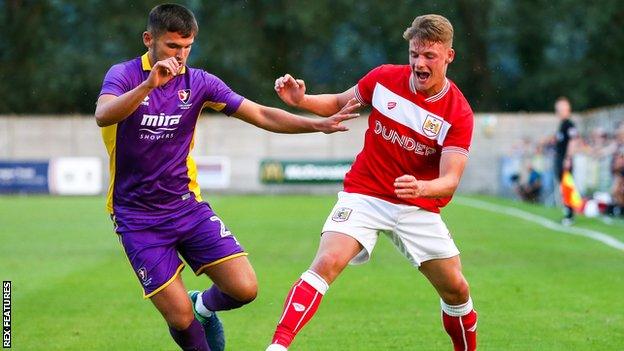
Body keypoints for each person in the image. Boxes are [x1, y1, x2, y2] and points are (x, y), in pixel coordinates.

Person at [94, 4, 359, 351]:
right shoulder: (125, 75)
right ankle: (193, 318)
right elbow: (103, 114)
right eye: (173, 47)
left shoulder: (199, 82)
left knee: (245, 288)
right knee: (179, 318)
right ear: (149, 40)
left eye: (187, 47)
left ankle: (203, 305)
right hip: (136, 217)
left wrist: (316, 125)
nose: (181, 55)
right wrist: (148, 85)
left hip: (186, 206)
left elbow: (260, 113)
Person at [266, 14, 477, 351]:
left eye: (429, 56)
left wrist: (422, 188)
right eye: (414, 54)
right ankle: (277, 347)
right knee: (326, 262)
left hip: (416, 204)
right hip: (364, 194)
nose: (419, 64)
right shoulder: (383, 79)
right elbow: (338, 102)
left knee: (457, 290)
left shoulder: (458, 113)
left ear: (449, 57)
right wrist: (302, 101)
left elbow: (450, 180)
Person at [553, 96, 579, 225]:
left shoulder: (569, 124)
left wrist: (568, 158)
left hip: (565, 159)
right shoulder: (562, 124)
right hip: (560, 158)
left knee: (567, 186)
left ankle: (570, 214)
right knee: (563, 187)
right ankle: (567, 211)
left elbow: (573, 141)